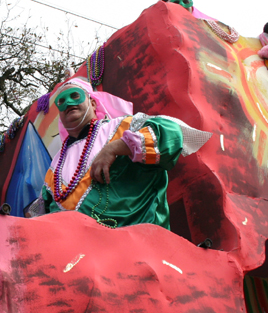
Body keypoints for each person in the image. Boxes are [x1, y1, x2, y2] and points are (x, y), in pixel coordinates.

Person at [32, 79, 210, 228]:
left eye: (75, 96)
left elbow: (172, 133)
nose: (69, 103)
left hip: (133, 248)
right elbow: (42, 211)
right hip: (73, 258)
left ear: (93, 104)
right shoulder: (56, 163)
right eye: (61, 102)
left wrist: (117, 146)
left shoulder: (120, 126)